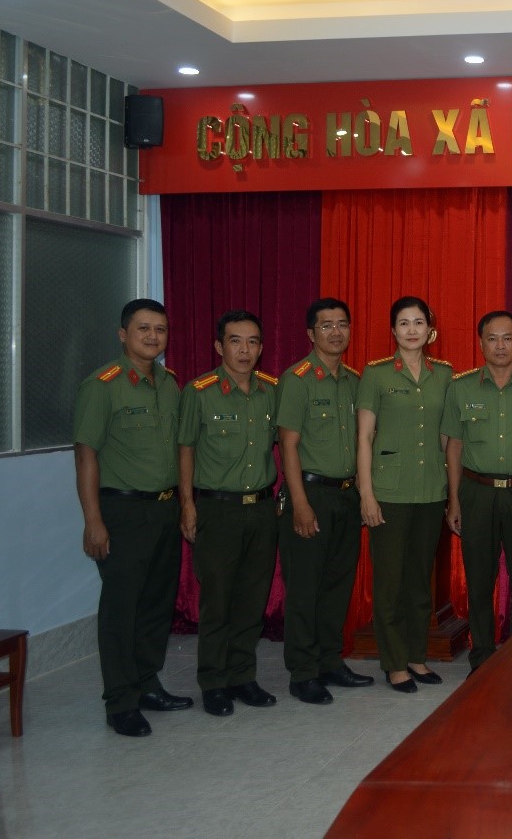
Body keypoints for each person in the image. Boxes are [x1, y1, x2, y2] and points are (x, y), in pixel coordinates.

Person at [73, 299, 192, 737]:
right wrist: (93, 520)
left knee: (156, 603)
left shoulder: (170, 383)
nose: (153, 337)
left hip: (163, 508)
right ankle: (120, 701)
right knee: (121, 608)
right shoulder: (102, 385)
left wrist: (182, 504)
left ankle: (146, 683)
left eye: (160, 329)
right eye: (143, 328)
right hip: (122, 511)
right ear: (123, 335)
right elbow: (85, 455)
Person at [177, 310, 280, 717]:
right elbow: (185, 449)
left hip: (261, 509)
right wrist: (187, 504)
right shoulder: (199, 392)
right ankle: (213, 682)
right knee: (217, 600)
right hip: (217, 510)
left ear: (261, 347)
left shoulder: (271, 391)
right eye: (235, 341)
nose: (244, 350)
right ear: (219, 346)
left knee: (252, 600)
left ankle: (242, 676)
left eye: (252, 342)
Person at [443, 311, 512, 672]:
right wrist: (454, 499)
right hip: (477, 492)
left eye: (507, 338)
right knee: (479, 578)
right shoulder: (461, 387)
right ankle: (481, 656)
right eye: (492, 338)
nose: (500, 346)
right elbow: (454, 446)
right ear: (480, 343)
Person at [276, 298, 373, 706]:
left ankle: (330, 661)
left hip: (346, 496)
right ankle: (303, 672)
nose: (336, 332)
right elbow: (288, 445)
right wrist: (299, 504)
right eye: (327, 325)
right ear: (311, 334)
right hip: (310, 493)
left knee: (337, 584)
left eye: (342, 324)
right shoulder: (297, 379)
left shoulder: (354, 381)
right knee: (305, 587)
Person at [357, 297, 453, 692]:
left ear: (430, 330)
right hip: (389, 492)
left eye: (418, 322)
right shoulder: (376, 374)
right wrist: (366, 493)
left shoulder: (444, 374)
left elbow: (448, 437)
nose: (411, 330)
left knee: (419, 580)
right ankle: (394, 662)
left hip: (431, 489)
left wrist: (453, 491)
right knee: (390, 582)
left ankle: (416, 656)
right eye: (403, 323)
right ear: (393, 330)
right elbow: (364, 437)